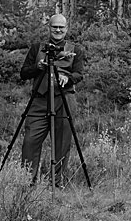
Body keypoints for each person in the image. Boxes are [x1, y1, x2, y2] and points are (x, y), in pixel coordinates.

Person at [16, 11, 83, 184]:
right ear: (49, 28)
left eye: (61, 27)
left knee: (61, 143)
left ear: (66, 29)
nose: (58, 30)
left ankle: (57, 183)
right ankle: (27, 182)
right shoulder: (37, 47)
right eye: (55, 27)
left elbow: (79, 74)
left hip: (65, 99)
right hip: (39, 99)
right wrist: (38, 67)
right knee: (30, 141)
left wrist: (68, 78)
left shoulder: (75, 49)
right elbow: (24, 73)